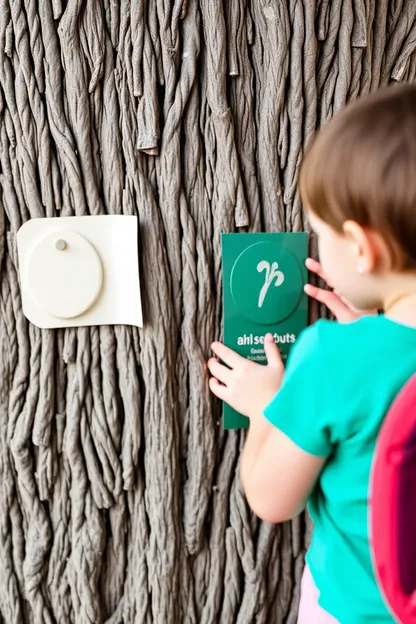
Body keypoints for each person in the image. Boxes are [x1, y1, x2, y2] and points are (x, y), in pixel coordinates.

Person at [207, 84, 416, 623]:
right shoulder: (357, 354)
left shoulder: (334, 357)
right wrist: (379, 331)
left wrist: (263, 408)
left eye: (321, 233)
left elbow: (272, 500)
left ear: (362, 247)